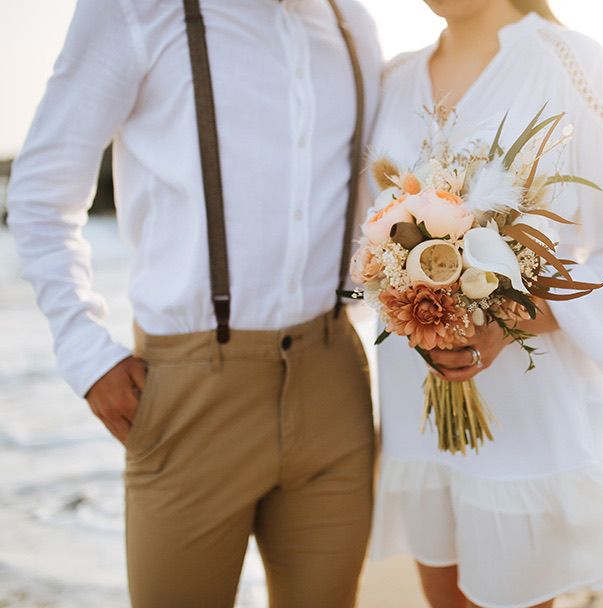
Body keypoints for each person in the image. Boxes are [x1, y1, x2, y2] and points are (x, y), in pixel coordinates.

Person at [6, 0, 381, 606]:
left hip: (335, 379)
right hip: (191, 392)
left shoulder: (350, 22)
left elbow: (366, 204)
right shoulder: (132, 10)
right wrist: (85, 349)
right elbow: (41, 190)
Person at [367, 1, 603, 607]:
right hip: (418, 400)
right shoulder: (392, 79)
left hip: (526, 399)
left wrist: (508, 317)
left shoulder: (569, 62)